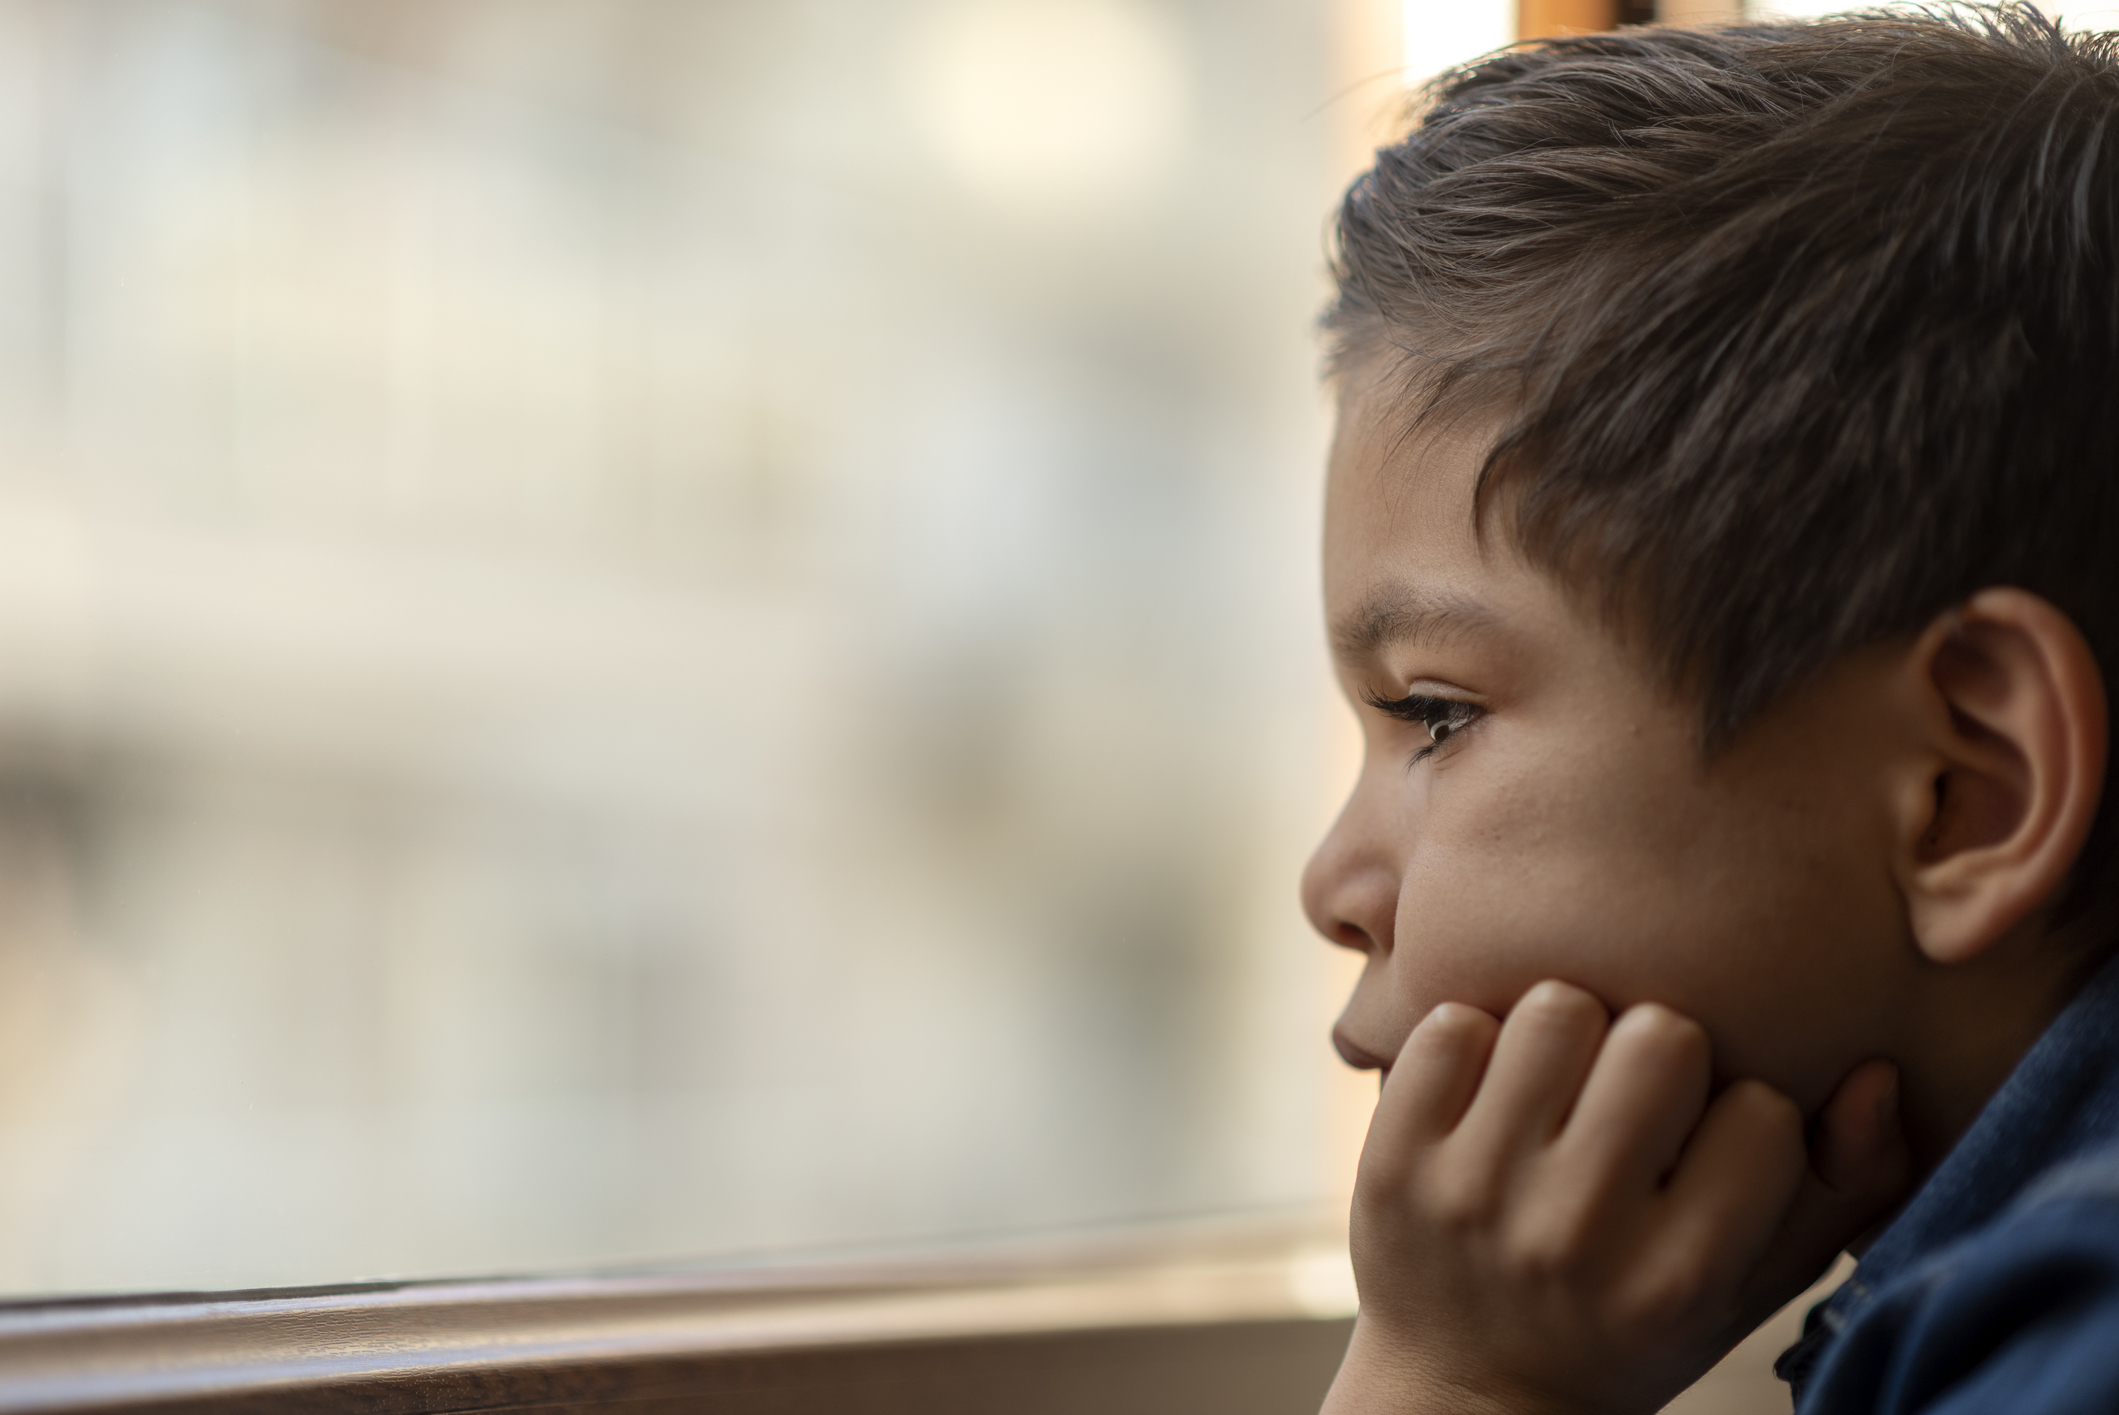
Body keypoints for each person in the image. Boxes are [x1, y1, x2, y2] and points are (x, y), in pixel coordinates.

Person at [1299, 6, 2119, 1412]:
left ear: (1963, 789)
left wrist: (1462, 1382)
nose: (1334, 886)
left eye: (1433, 714)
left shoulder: (2066, 1334)